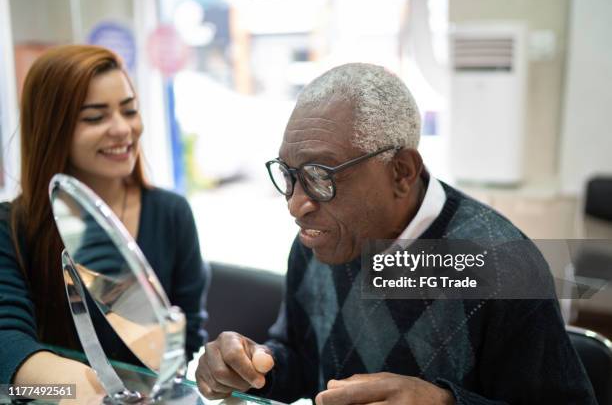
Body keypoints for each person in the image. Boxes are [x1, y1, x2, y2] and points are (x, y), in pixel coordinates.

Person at [195, 63, 596, 404]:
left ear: (401, 172)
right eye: (289, 175)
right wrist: (251, 365)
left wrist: (446, 402)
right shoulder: (318, 242)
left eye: (320, 176)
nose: (296, 204)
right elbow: (301, 360)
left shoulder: (503, 264)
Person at [0, 45, 209, 399]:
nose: (123, 129)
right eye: (95, 118)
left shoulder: (172, 214)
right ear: (52, 128)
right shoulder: (11, 227)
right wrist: (74, 390)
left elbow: (184, 343)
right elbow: (6, 340)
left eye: (130, 110)